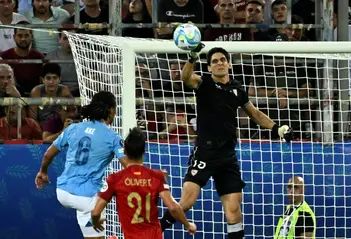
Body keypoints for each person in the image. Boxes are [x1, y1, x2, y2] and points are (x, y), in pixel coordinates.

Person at [160, 43, 294, 239]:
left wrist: (276, 128)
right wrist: (192, 58)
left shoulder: (238, 89)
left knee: (233, 211)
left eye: (223, 60)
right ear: (209, 68)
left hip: (227, 156)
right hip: (205, 152)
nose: (219, 63)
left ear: (229, 64)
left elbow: (254, 113)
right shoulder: (203, 83)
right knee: (187, 202)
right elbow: (186, 77)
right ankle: (156, 229)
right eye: (214, 61)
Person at [35, 91, 127, 239]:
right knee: (99, 195)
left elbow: (48, 155)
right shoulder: (113, 137)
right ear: (111, 110)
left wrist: (43, 172)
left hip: (63, 193)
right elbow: (129, 166)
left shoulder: (73, 128)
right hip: (87, 198)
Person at [91, 127, 197, 239]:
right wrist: (188, 224)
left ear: (125, 151)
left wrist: (95, 222)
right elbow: (173, 207)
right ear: (144, 152)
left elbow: (95, 212)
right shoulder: (157, 176)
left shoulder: (115, 179)